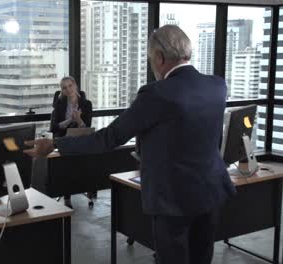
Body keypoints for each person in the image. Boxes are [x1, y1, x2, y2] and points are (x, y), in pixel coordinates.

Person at [24, 25, 235, 264]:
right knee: (201, 258)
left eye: (150, 59)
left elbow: (109, 137)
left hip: (172, 198)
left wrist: (55, 144)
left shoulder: (158, 93)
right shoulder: (217, 86)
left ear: (159, 57)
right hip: (212, 191)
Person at [50, 76, 93, 208]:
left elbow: (87, 128)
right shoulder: (60, 104)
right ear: (61, 91)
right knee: (67, 162)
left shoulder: (86, 104)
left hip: (80, 138)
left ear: (75, 85)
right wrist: (70, 120)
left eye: (70, 85)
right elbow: (55, 126)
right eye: (64, 88)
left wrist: (79, 119)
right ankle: (67, 195)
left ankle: (87, 187)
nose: (68, 90)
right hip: (64, 138)